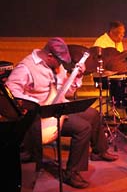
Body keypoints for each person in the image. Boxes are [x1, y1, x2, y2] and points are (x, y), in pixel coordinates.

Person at [5, 37, 118, 189]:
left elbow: (68, 92)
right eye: (59, 61)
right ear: (49, 56)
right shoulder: (26, 67)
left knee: (92, 113)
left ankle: (99, 151)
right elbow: (11, 90)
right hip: (42, 115)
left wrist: (77, 76)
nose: (61, 65)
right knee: (83, 127)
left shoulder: (57, 65)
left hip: (60, 105)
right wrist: (36, 103)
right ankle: (71, 173)